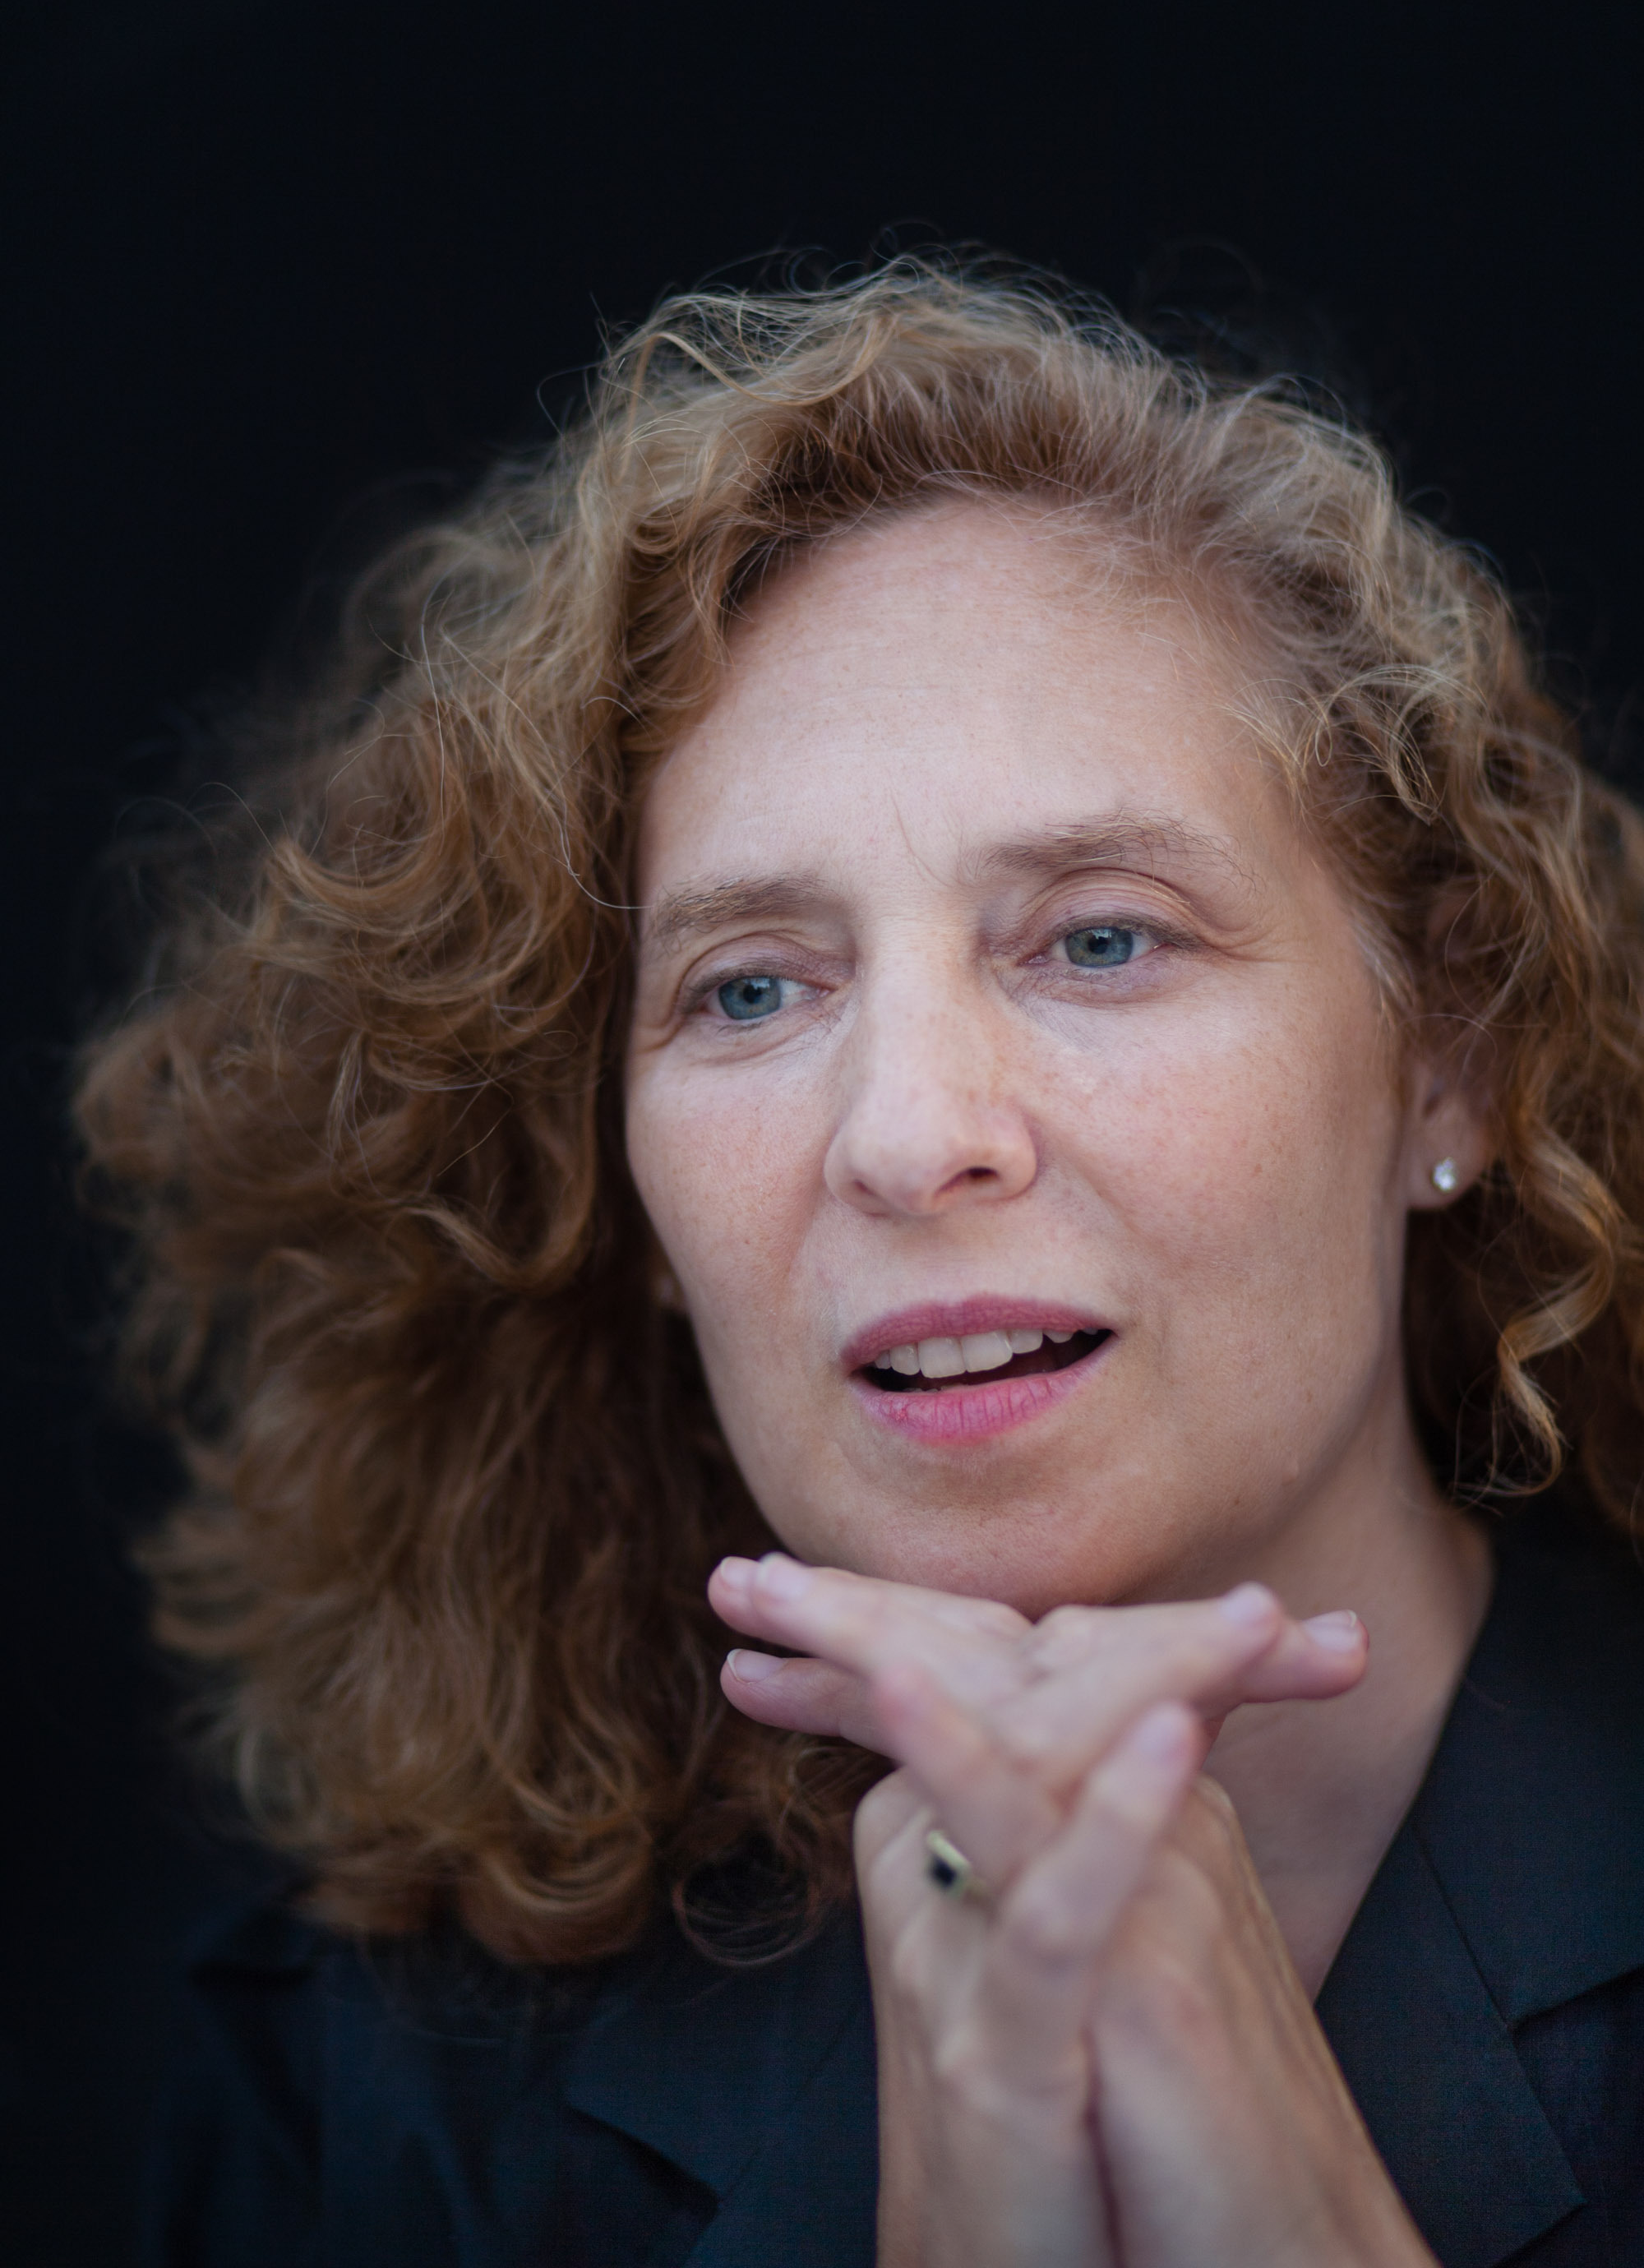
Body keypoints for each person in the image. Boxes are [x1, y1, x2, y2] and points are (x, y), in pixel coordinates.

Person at [78, 265, 1644, 2267]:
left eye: (1098, 937)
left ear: (1452, 1060)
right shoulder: (365, 2105)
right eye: (749, 989)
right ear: (624, 1201)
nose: (908, 1134)